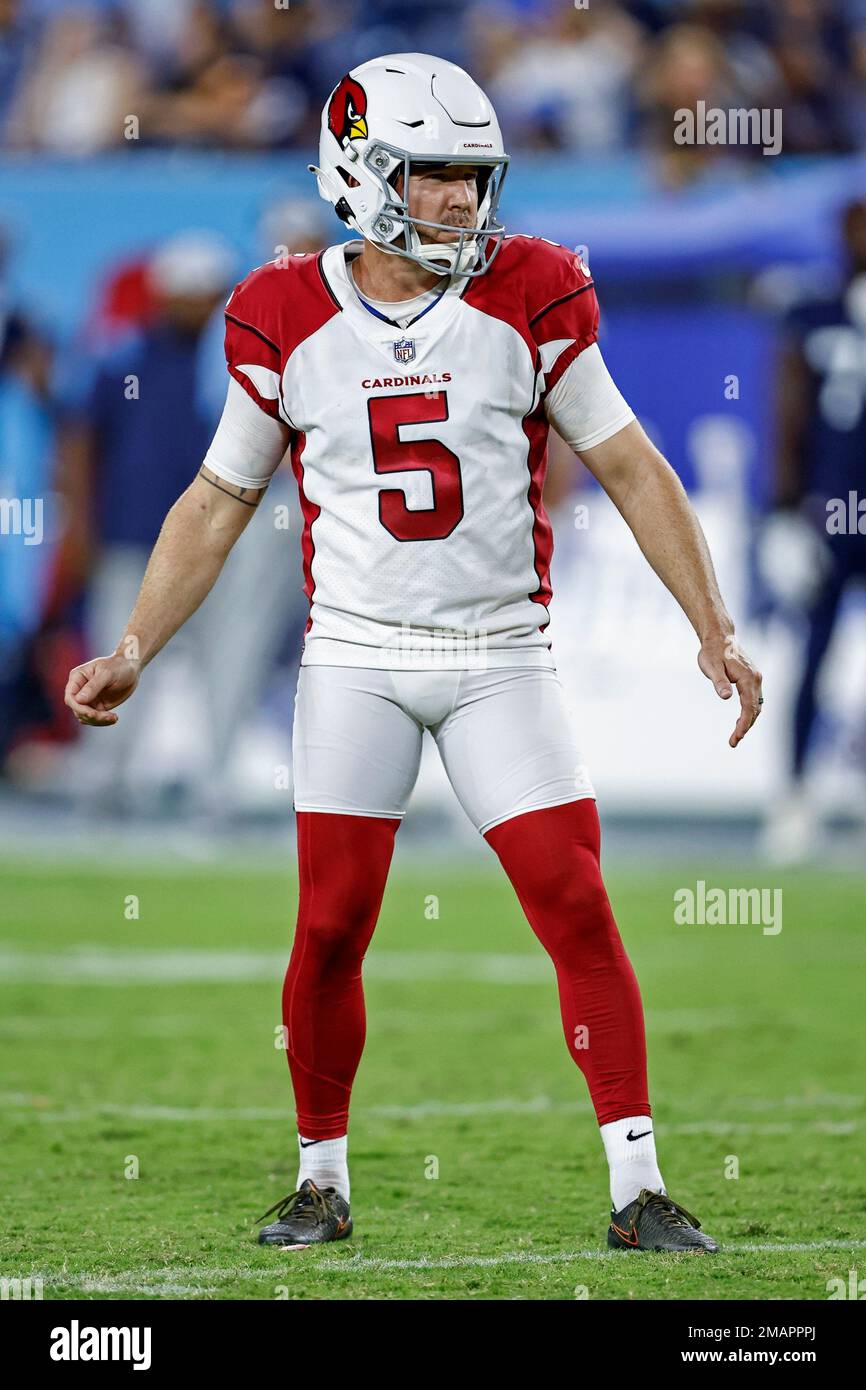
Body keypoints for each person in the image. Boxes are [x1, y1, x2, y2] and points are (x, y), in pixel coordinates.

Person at [64, 52, 763, 1254]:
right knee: (330, 924)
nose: (458, 201)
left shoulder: (534, 288)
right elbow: (217, 497)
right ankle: (320, 1178)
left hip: (501, 652)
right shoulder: (279, 308)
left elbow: (631, 466)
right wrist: (136, 643)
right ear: (360, 173)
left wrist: (712, 622)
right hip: (353, 658)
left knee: (575, 904)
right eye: (432, 176)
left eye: (468, 177)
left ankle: (636, 1186)